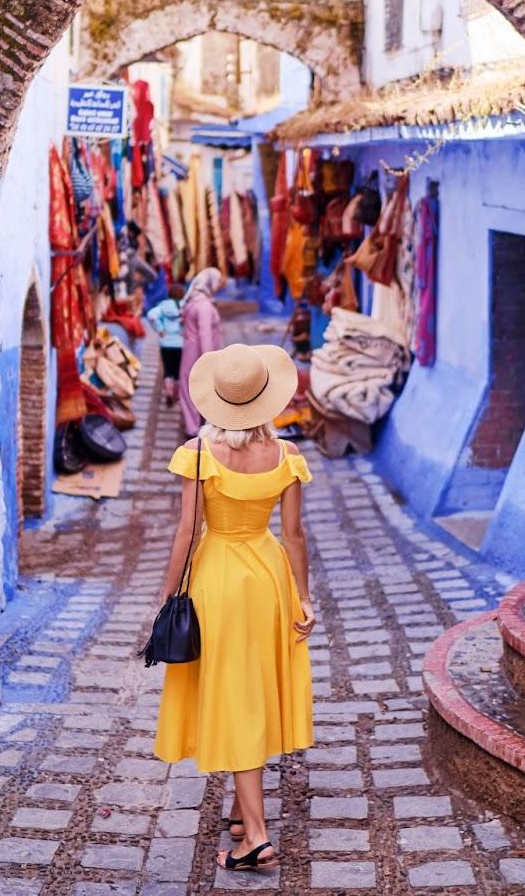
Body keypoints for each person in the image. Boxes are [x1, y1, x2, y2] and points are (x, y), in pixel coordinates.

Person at [152, 342, 315, 872]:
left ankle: (257, 839)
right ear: (267, 400)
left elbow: (187, 530)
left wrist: (165, 596)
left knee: (236, 698)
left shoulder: (199, 454)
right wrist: (305, 597)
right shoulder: (288, 456)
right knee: (255, 691)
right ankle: (246, 817)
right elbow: (294, 535)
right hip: (268, 580)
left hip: (218, 579)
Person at [177, 267, 224, 437]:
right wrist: (209, 360)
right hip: (198, 354)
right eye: (218, 281)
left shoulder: (195, 300)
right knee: (199, 388)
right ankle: (195, 429)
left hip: (189, 352)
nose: (219, 285)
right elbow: (205, 335)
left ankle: (194, 425)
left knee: (189, 387)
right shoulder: (204, 306)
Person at [145, 283, 186, 405]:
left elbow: (151, 315)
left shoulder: (162, 306)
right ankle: (177, 394)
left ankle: (168, 392)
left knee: (168, 369)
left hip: (165, 343)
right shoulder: (184, 306)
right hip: (180, 342)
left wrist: (160, 329)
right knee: (178, 370)